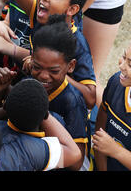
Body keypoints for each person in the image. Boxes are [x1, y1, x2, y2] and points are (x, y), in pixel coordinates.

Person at [30, 15, 90, 170]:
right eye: (37, 67)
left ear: (70, 66)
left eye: (53, 70)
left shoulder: (72, 102)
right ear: (30, 59)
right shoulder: (29, 82)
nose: (43, 75)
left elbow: (76, 163)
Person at [0, 78, 82, 170]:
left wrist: (13, 105)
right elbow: (75, 154)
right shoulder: (35, 149)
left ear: (5, 106)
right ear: (46, 115)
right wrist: (42, 110)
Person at [93, 43, 131, 171]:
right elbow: (100, 128)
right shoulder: (116, 82)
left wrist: (116, 151)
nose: (121, 66)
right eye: (124, 56)